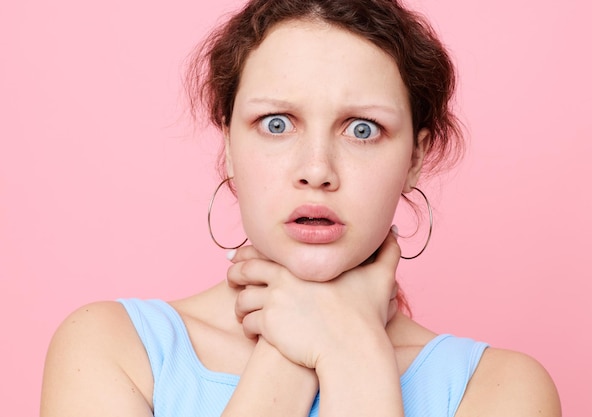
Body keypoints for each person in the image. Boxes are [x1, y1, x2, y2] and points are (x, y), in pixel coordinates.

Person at [40, 0, 561, 416]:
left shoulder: (499, 390)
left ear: (415, 158)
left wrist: (354, 353)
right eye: (276, 123)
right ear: (227, 144)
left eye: (362, 129)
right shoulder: (113, 350)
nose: (316, 169)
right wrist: (293, 352)